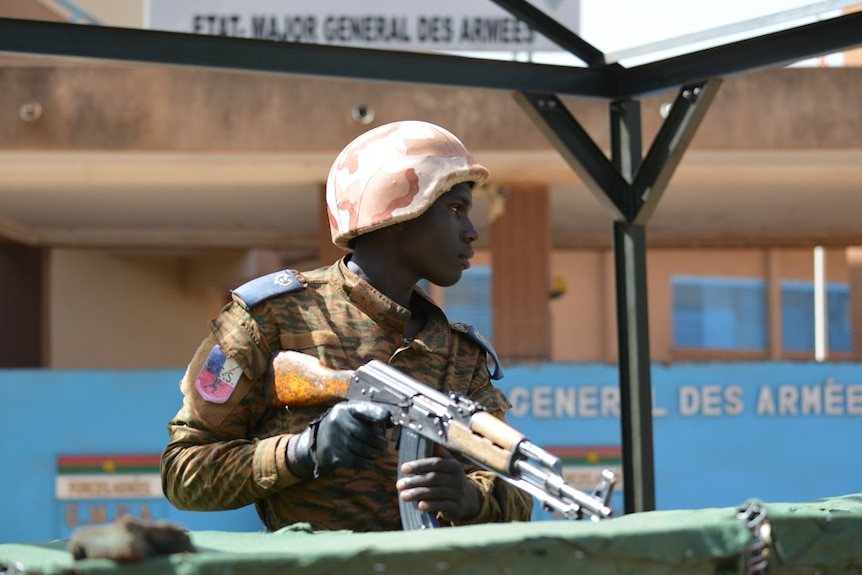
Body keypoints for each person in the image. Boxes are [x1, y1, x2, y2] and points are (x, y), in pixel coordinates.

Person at [160, 120, 534, 532]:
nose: (471, 232)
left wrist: (469, 499)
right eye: (455, 209)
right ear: (400, 209)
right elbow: (184, 472)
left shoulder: (459, 352)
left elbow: (514, 488)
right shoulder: (270, 319)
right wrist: (303, 451)